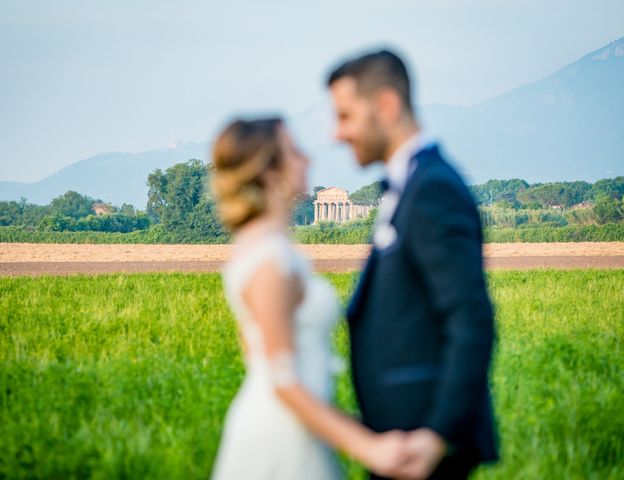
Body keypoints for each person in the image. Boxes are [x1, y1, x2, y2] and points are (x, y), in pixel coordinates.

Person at [209, 117, 415, 479]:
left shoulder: (265, 247)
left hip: (295, 424)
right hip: (280, 434)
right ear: (271, 174)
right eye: (294, 150)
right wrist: (368, 447)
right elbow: (282, 378)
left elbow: (255, 348)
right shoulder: (270, 259)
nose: (307, 158)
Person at [326, 50, 499, 479]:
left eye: (345, 116)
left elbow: (470, 318)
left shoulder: (433, 188)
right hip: (397, 439)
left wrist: (437, 433)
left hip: (421, 446)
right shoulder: (410, 184)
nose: (337, 134)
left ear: (386, 105)